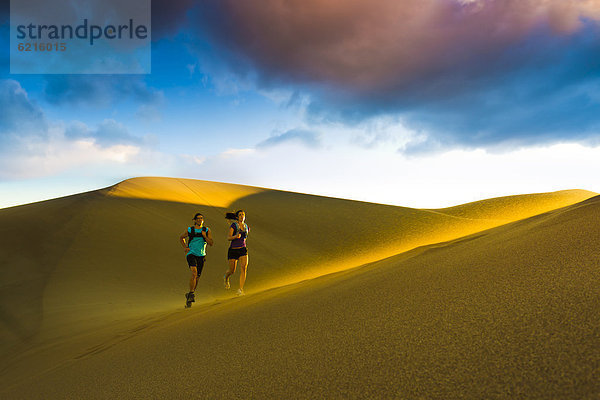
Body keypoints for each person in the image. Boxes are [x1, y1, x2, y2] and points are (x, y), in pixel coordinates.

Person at [179, 213, 213, 307]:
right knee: (194, 272)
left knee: (197, 277)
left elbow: (211, 243)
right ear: (194, 220)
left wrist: (205, 236)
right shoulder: (190, 229)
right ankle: (191, 294)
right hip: (191, 253)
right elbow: (181, 237)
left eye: (201, 218)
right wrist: (186, 247)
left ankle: (190, 294)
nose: (200, 220)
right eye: (198, 218)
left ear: (203, 220)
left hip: (201, 255)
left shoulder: (206, 230)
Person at [224, 210, 249, 296]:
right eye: (240, 215)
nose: (242, 216)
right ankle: (226, 277)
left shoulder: (246, 226)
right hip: (233, 250)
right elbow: (228, 237)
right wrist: (235, 236)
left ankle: (241, 289)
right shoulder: (234, 226)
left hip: (243, 249)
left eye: (243, 215)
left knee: (244, 268)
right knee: (232, 271)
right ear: (237, 217)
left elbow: (245, 238)